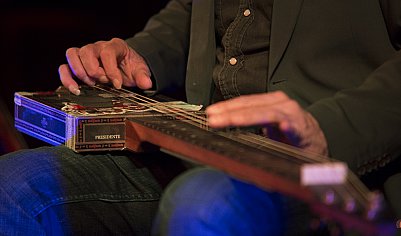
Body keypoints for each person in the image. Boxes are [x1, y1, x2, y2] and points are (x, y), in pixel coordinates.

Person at [1, 0, 401, 235]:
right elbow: (194, 15)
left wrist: (325, 130)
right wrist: (139, 56)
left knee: (203, 205)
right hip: (196, 144)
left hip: (323, 166)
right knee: (12, 185)